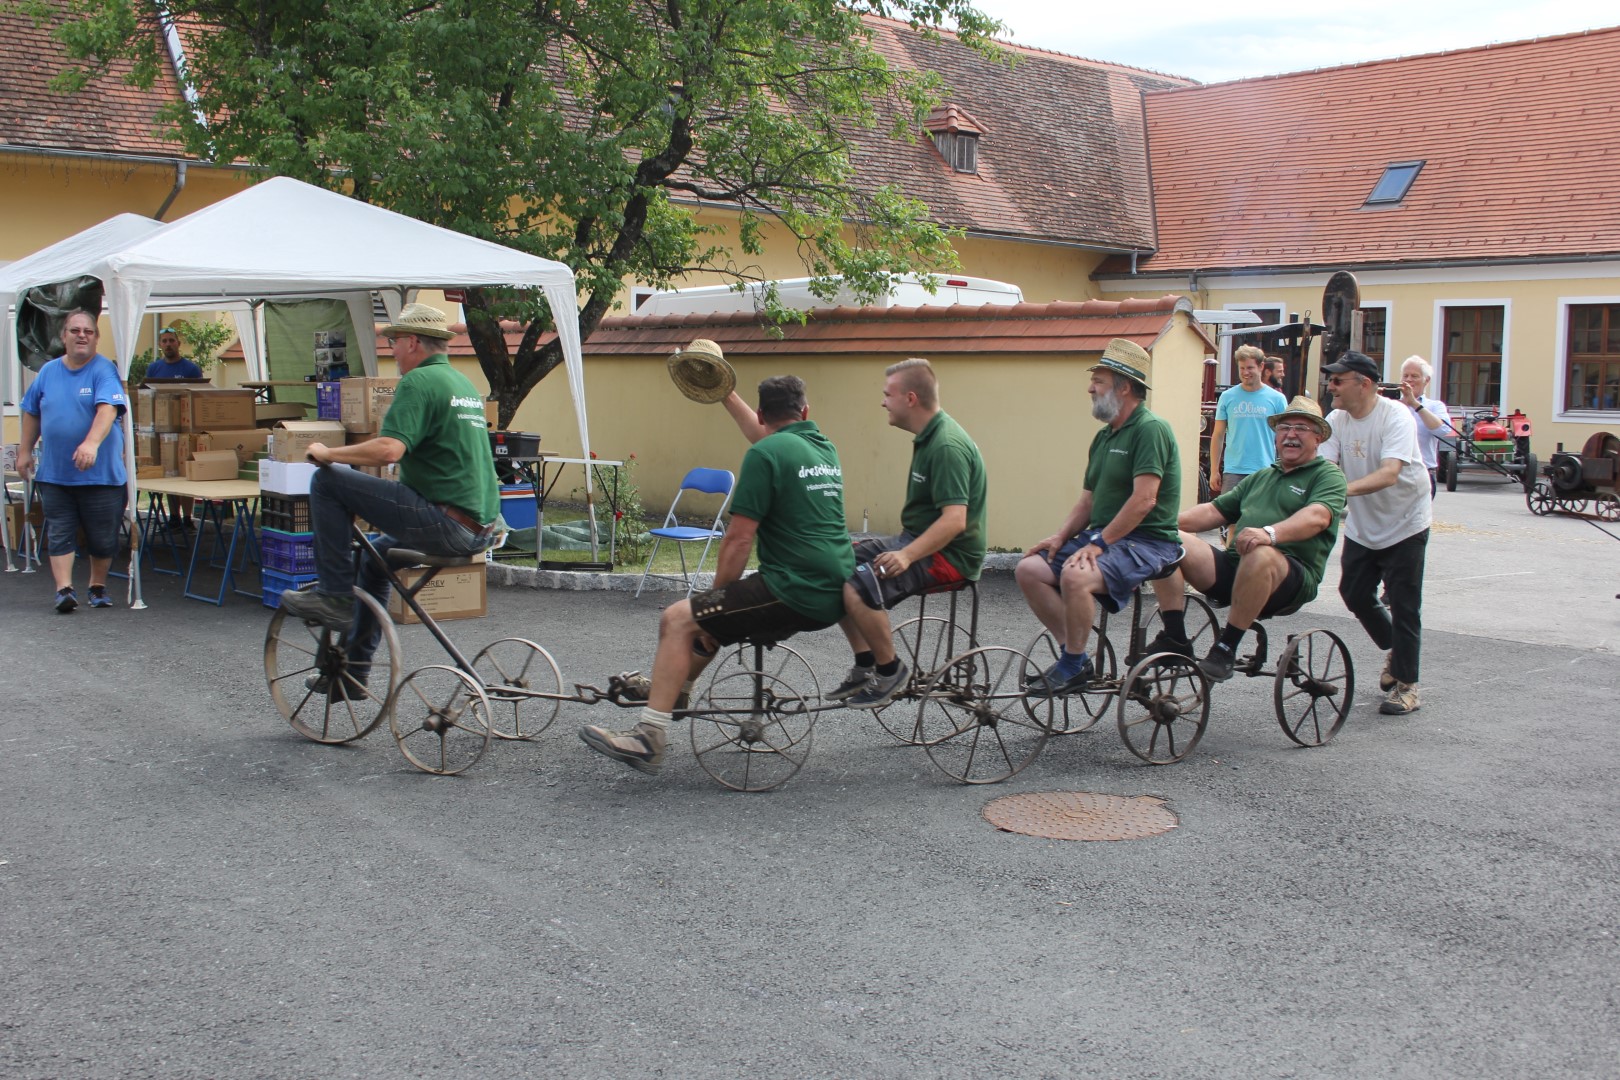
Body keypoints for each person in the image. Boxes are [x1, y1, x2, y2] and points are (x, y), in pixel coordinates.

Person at [579, 375, 853, 775]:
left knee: (679, 618)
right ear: (805, 412)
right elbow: (768, 439)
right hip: (834, 590)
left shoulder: (766, 454)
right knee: (708, 622)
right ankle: (675, 695)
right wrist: (725, 394)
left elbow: (739, 540)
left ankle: (649, 737)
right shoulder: (821, 448)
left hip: (795, 589)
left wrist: (715, 601)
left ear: (762, 414)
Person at [279, 304, 500, 696]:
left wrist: (328, 454)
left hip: (444, 522)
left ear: (413, 342)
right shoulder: (462, 385)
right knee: (373, 560)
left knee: (327, 483)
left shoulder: (418, 383)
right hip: (478, 528)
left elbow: (389, 451)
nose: (392, 351)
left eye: (394, 343)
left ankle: (333, 596)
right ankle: (352, 674)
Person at [1014, 339, 1183, 695]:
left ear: (1124, 387)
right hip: (1108, 536)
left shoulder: (1151, 429)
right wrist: (1060, 537)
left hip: (1149, 541)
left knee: (1076, 576)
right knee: (1029, 568)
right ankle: (1073, 656)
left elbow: (1144, 500)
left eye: (1099, 381)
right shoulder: (1104, 437)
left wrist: (1100, 543)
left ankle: (1073, 667)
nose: (1090, 388)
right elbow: (1087, 501)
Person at [1146, 397, 1347, 680]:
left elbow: (1318, 517)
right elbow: (1214, 511)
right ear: (1276, 436)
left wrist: (1269, 533)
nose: (1291, 434)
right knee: (1165, 538)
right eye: (1285, 427)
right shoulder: (1263, 476)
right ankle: (1175, 637)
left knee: (1260, 552)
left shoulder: (1327, 476)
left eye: (1301, 427)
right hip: (1237, 567)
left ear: (1318, 438)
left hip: (1290, 578)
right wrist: (1158, 523)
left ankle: (1226, 648)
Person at [827, 358, 988, 709]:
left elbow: (955, 521)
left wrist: (905, 555)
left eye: (888, 394)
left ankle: (890, 671)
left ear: (910, 399)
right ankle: (866, 664)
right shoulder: (929, 436)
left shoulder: (946, 446)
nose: (883, 401)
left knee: (859, 587)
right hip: (918, 540)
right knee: (835, 564)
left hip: (951, 556)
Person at [1319, 351, 1432, 715]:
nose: (1331, 385)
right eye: (1331, 379)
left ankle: (1407, 686)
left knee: (1404, 604)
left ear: (1364, 384)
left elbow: (1389, 473)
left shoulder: (1395, 415)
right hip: (1365, 524)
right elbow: (1323, 467)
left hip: (1406, 522)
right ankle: (1396, 650)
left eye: (1338, 380)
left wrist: (1337, 494)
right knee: (1352, 591)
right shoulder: (1336, 418)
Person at [16, 310, 129, 613]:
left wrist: (91, 443)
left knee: (103, 538)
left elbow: (108, 409)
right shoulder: (49, 372)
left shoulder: (103, 370)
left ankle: (97, 586)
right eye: (75, 330)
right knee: (59, 532)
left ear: (96, 337)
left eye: (88, 331)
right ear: (63, 336)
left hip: (101, 476)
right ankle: (64, 590)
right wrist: (25, 450)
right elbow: (31, 410)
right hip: (56, 474)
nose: (82, 335)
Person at [1209, 344, 1287, 495]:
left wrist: (1283, 469)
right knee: (1229, 516)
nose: (1245, 372)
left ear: (1261, 366)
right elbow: (1218, 435)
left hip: (1265, 470)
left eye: (1250, 368)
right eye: (1242, 368)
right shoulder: (1227, 397)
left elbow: (1283, 436)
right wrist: (1214, 470)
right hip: (1233, 470)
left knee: (1261, 517)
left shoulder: (1277, 399)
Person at [1398, 355, 1455, 498]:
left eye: (1414, 376)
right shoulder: (1392, 404)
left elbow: (1443, 430)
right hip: (1395, 472)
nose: (1409, 380)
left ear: (1426, 380)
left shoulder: (1434, 406)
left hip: (1423, 471)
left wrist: (1415, 404)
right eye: (1405, 375)